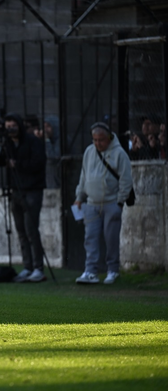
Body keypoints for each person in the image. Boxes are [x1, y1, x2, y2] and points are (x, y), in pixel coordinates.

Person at [74, 122, 132, 285]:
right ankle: (90, 271)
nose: (98, 143)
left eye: (101, 140)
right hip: (91, 203)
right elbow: (83, 176)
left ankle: (112, 270)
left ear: (108, 138)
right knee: (90, 238)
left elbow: (126, 180)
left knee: (111, 238)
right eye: (95, 140)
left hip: (111, 203)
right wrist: (79, 196)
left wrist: (119, 202)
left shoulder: (119, 154)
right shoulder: (89, 152)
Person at [0, 113, 47, 283]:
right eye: (7, 127)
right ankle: (28, 266)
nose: (11, 130)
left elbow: (38, 163)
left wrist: (18, 164)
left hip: (32, 190)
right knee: (21, 231)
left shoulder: (32, 142)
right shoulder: (6, 144)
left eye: (13, 126)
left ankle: (38, 268)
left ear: (20, 126)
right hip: (15, 190)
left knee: (31, 230)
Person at [35, 115, 61, 189]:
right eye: (44, 126)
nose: (45, 129)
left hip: (60, 181)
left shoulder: (61, 140)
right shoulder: (49, 141)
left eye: (48, 126)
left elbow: (53, 157)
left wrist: (46, 140)